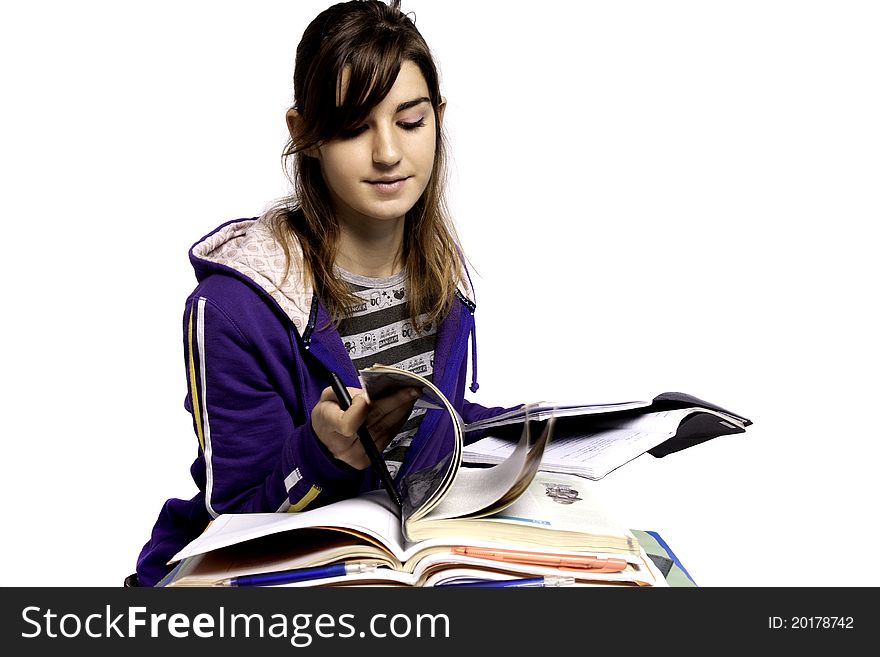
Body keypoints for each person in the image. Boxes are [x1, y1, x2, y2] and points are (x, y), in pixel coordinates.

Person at [133, 0, 512, 587]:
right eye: (353, 127)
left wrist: (549, 433)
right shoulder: (237, 310)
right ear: (304, 135)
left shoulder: (443, 278)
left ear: (438, 117)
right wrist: (322, 453)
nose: (388, 153)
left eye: (410, 122)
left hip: (409, 567)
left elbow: (440, 430)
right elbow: (231, 521)